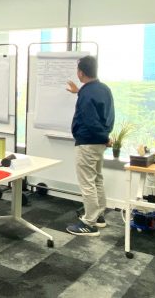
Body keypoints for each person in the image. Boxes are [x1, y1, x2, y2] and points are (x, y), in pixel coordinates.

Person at [65, 55, 114, 237]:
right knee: (97, 179)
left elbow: (90, 120)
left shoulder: (86, 93)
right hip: (99, 143)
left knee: (87, 183)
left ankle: (89, 223)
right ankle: (99, 216)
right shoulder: (103, 89)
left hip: (87, 143)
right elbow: (108, 116)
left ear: (81, 73)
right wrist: (105, 136)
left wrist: (102, 136)